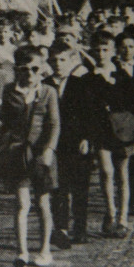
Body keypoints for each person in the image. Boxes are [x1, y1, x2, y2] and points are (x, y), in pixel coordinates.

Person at [0, 46, 60, 267]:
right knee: (22, 203)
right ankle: (21, 252)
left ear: (42, 69)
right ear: (17, 70)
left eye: (35, 69)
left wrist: (49, 150)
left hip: (41, 154)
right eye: (25, 69)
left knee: (43, 202)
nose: (30, 74)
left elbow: (54, 124)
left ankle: (44, 251)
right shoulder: (9, 91)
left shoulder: (48, 92)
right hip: (18, 154)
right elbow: (4, 123)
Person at [92, 31, 134, 238]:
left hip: (122, 132)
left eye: (105, 50)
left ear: (113, 51)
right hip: (100, 131)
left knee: (122, 173)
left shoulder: (122, 75)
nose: (101, 54)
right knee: (106, 172)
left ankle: (122, 218)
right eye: (97, 50)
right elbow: (86, 108)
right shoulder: (89, 76)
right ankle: (110, 213)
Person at [45, 42, 93, 246]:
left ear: (72, 61)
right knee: (58, 188)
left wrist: (87, 138)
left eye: (63, 60)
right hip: (55, 145)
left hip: (77, 143)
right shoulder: (44, 85)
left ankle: (80, 228)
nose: (58, 64)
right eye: (54, 60)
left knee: (80, 187)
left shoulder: (81, 84)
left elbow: (91, 114)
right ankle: (61, 228)